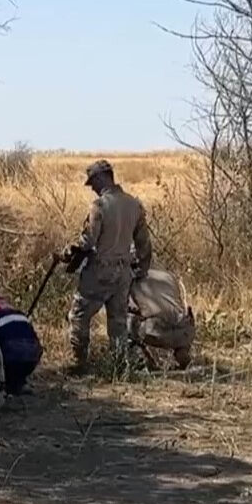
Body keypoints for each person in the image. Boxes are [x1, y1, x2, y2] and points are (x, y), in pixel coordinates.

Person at [64, 159, 152, 375]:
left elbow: (88, 242)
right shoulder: (134, 204)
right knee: (118, 321)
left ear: (102, 178)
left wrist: (69, 252)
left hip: (99, 271)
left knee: (79, 315)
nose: (92, 187)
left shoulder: (100, 206)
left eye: (92, 182)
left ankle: (79, 364)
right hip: (123, 273)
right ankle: (119, 366)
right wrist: (142, 268)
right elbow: (144, 243)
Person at [130, 268, 196, 370]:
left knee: (123, 323)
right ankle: (183, 355)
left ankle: (140, 359)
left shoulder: (132, 279)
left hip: (156, 331)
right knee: (178, 321)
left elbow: (129, 308)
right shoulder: (168, 276)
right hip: (183, 330)